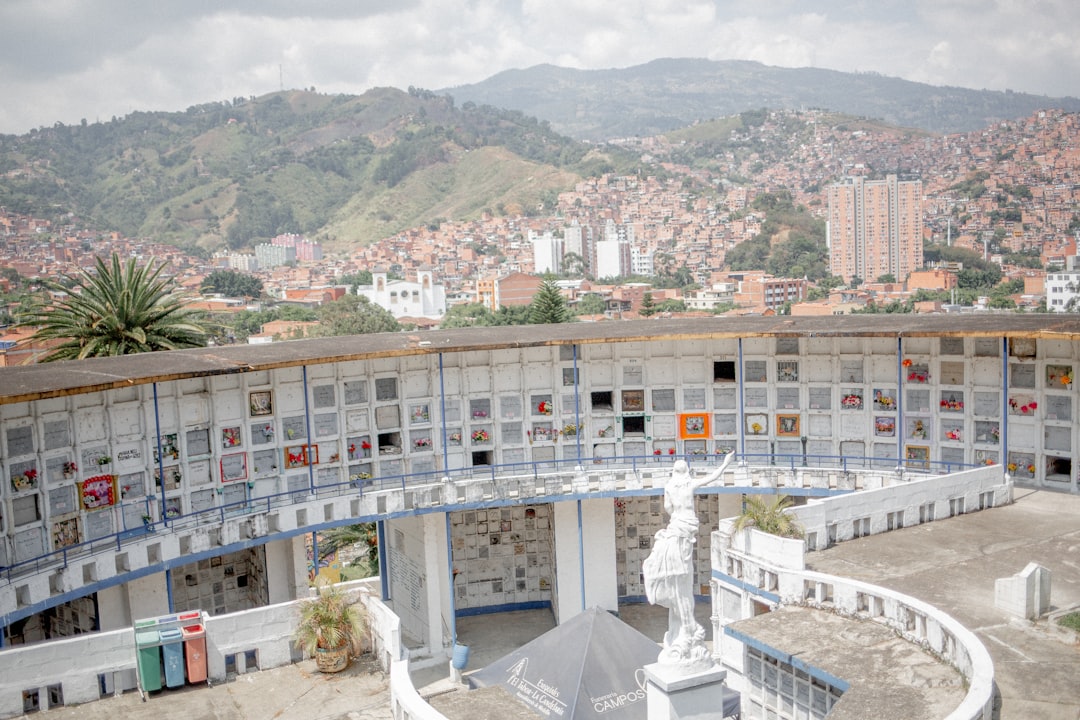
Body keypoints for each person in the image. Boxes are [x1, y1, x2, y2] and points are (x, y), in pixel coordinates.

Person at [643, 453, 734, 668]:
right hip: (687, 529)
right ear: (687, 472)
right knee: (683, 577)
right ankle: (687, 625)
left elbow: (667, 509)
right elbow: (712, 477)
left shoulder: (669, 487)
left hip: (677, 527)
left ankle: (686, 626)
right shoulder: (690, 484)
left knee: (680, 577)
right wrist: (725, 463)